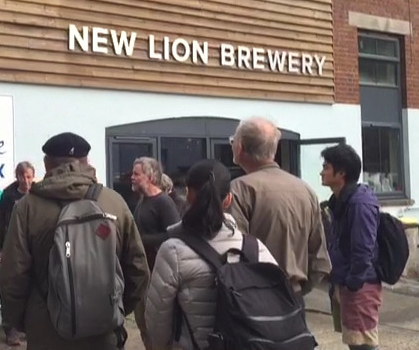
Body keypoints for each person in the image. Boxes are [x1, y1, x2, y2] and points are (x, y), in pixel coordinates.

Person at [0, 132, 149, 350]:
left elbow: (11, 276)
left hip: (46, 329)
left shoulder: (27, 208)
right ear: (87, 162)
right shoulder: (114, 202)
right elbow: (138, 269)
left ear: (47, 164)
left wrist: (26, 321)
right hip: (104, 329)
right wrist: (116, 307)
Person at [144, 159, 277, 349]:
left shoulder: (173, 252)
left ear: (188, 194)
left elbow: (157, 321)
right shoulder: (255, 248)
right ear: (228, 199)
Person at [229, 116, 331, 306]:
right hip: (293, 299)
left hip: (253, 301)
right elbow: (320, 261)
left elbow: (233, 253)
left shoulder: (238, 190)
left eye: (233, 141)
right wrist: (296, 289)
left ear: (239, 147)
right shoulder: (306, 190)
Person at [320, 144, 382, 350]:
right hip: (345, 282)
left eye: (326, 167)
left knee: (362, 343)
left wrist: (352, 283)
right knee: (354, 341)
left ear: (342, 173)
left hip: (360, 286)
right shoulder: (338, 202)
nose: (321, 172)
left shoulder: (358, 204)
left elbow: (363, 249)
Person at [131, 157, 181, 350]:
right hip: (143, 274)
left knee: (157, 329)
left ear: (150, 177)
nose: (132, 177)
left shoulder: (163, 202)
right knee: (143, 325)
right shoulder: (142, 201)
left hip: (158, 276)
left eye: (136, 174)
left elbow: (175, 235)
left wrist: (141, 240)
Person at [0, 161, 35, 346]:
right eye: (22, 177)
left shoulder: (38, 194)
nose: (26, 181)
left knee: (31, 289)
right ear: (16, 177)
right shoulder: (8, 195)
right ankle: (10, 328)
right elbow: (0, 223)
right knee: (8, 287)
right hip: (11, 247)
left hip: (32, 248)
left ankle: (27, 327)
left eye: (29, 177)